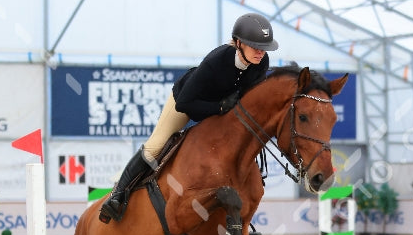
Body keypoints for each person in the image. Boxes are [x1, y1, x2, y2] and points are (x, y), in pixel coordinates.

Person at [99, 12, 279, 223]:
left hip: (222, 111)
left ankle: (239, 220)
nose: (260, 52)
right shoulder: (216, 60)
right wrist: (220, 107)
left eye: (263, 47)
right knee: (156, 146)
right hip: (186, 101)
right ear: (238, 43)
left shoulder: (261, 63)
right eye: (254, 46)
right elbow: (185, 103)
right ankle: (116, 196)